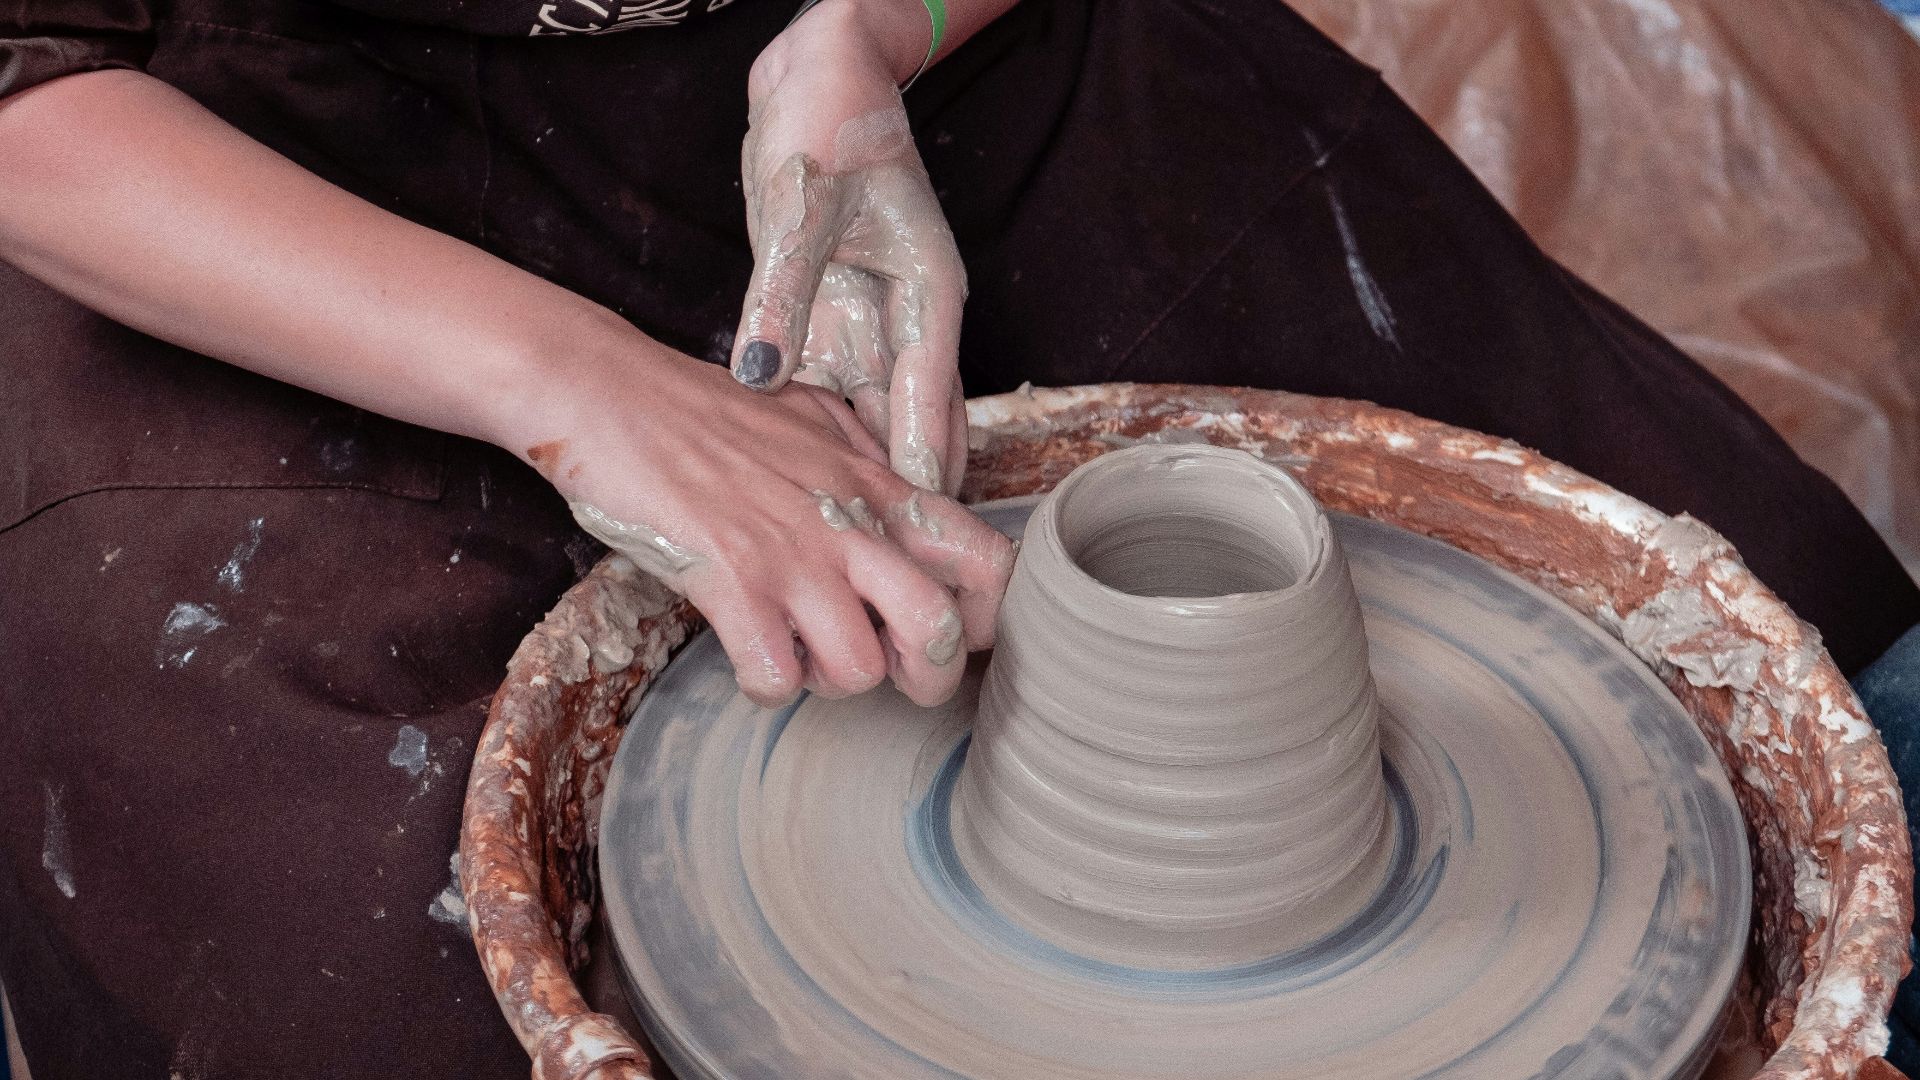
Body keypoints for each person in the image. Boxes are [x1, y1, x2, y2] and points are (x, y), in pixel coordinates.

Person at [1, 0, 1914, 1076]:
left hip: (875, 73)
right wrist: (590, 390)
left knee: (1726, 695)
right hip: (270, 164)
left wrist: (872, 36)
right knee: (354, 938)